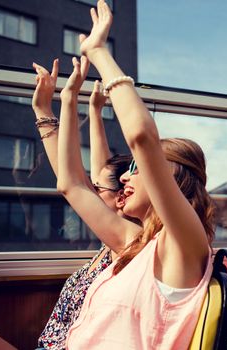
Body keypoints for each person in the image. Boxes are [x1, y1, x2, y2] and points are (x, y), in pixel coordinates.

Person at [59, 1, 214, 348]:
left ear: (169, 176)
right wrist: (68, 99)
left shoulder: (185, 246)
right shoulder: (137, 243)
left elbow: (142, 137)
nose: (124, 179)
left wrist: (99, 51)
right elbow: (70, 185)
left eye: (135, 168)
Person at [31, 59, 134, 350]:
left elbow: (71, 181)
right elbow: (93, 171)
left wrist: (61, 103)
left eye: (96, 187)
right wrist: (95, 112)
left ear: (122, 197)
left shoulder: (124, 245)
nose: (89, 188)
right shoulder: (111, 243)